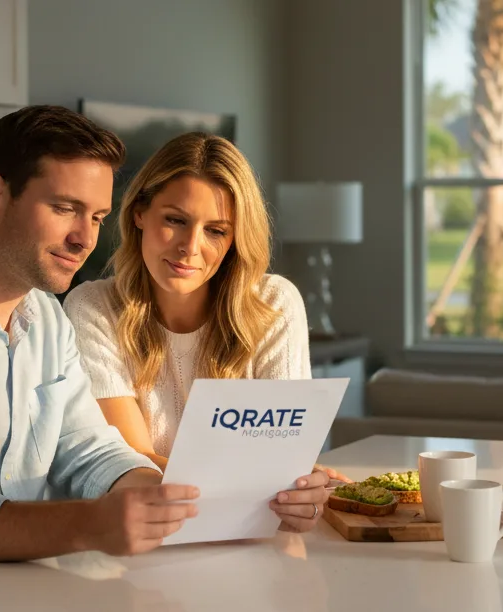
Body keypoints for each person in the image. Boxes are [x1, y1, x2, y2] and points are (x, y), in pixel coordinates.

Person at [0, 106, 330, 610]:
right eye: (65, 208)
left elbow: (90, 452)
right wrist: (91, 525)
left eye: (96, 217)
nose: (85, 239)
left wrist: (183, 499)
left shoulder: (46, 319)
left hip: (1, 590)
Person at [64, 132, 346, 534]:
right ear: (140, 212)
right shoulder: (93, 307)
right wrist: (260, 481)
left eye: (216, 230)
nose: (190, 248)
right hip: (142, 549)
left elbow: (281, 470)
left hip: (251, 547)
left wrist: (300, 493)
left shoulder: (274, 305)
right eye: (175, 220)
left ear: (234, 239)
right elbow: (132, 464)